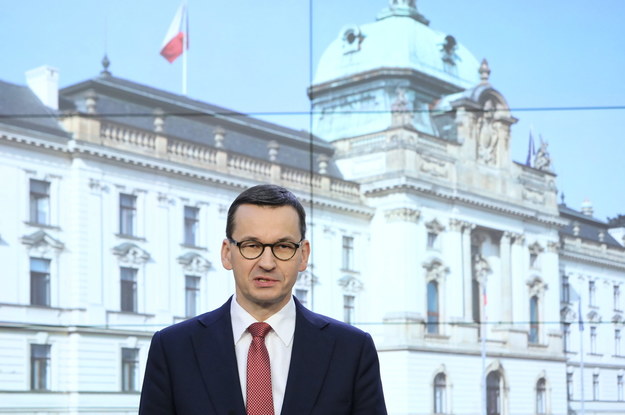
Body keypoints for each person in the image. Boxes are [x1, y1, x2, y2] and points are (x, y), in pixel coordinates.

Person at [138, 184, 387, 415]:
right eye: (251, 245)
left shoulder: (352, 350)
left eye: (283, 247)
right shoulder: (173, 348)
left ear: (303, 255)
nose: (267, 263)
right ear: (227, 253)